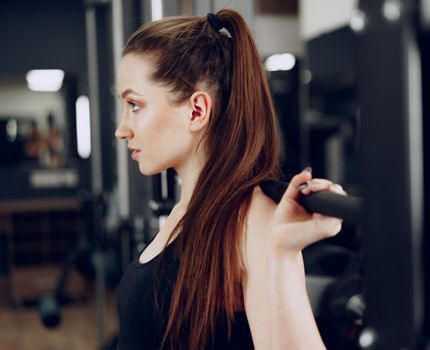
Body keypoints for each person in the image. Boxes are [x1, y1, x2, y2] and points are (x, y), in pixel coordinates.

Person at [114, 9, 346, 350]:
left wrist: (280, 253)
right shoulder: (187, 209)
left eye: (134, 105)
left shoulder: (253, 220)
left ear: (197, 111)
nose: (122, 129)